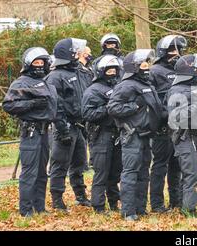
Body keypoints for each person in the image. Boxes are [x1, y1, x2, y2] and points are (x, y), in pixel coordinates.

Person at [107, 49, 165, 221]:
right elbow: (113, 108)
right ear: (134, 67)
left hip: (147, 135)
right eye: (143, 64)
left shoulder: (147, 84)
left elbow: (156, 109)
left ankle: (140, 208)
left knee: (143, 173)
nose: (146, 67)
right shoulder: (126, 85)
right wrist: (133, 107)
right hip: (132, 135)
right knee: (130, 172)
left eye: (148, 64)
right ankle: (128, 211)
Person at [2, 47, 57, 217]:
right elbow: (9, 105)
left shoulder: (46, 81)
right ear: (29, 64)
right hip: (31, 132)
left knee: (42, 172)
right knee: (29, 173)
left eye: (42, 62)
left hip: (45, 132)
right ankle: (26, 210)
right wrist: (31, 104)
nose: (39, 65)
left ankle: (39, 208)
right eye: (36, 62)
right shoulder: (21, 82)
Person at [46, 38, 91, 211]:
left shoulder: (79, 72)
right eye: (76, 51)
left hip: (79, 126)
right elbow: (55, 106)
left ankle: (80, 195)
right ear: (69, 53)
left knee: (79, 163)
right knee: (60, 164)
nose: (79, 53)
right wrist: (62, 129)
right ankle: (57, 200)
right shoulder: (55, 76)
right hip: (64, 127)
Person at [166, 54, 197, 217]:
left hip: (195, 137)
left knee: (195, 173)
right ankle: (188, 210)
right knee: (190, 174)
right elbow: (176, 117)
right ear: (189, 71)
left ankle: (187, 205)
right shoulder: (176, 91)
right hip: (184, 137)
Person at [149, 35, 187, 213]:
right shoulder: (154, 71)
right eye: (172, 51)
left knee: (177, 166)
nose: (176, 54)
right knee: (159, 166)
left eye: (179, 50)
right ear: (163, 52)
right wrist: (161, 120)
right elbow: (152, 101)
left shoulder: (182, 71)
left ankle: (176, 202)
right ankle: (157, 204)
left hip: (179, 127)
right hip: (162, 128)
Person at [81, 55, 123, 214]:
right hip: (100, 135)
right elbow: (87, 113)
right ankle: (98, 206)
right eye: (108, 70)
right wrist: (108, 108)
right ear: (101, 71)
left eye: (114, 70)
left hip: (117, 134)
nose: (112, 72)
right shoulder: (93, 90)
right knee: (101, 172)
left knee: (115, 172)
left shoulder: (119, 86)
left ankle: (114, 203)